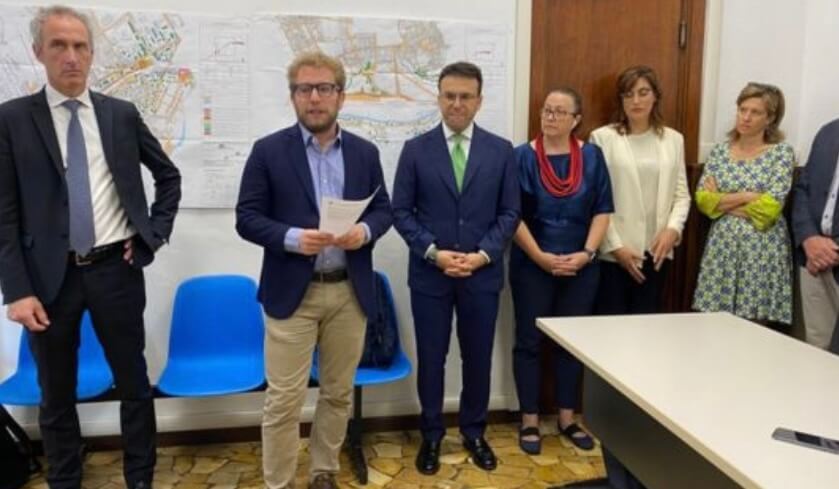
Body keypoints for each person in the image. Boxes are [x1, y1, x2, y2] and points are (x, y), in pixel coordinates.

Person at [0, 6, 181, 489]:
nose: (71, 56)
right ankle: (65, 480)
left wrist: (152, 236)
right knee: (55, 392)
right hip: (47, 280)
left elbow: (168, 177)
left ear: (92, 53)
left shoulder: (120, 115)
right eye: (59, 45)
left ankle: (140, 478)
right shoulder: (11, 120)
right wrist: (17, 290)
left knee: (134, 383)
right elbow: (5, 214)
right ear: (39, 52)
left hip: (115, 270)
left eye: (80, 46)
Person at [235, 51, 392, 489]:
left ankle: (324, 471)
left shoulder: (364, 152)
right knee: (284, 401)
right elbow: (246, 217)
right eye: (305, 89)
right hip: (292, 293)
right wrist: (292, 238)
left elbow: (383, 209)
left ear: (341, 95)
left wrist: (364, 231)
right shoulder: (268, 151)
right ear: (293, 97)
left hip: (348, 292)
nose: (315, 98)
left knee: (338, 393)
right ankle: (280, 482)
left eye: (324, 88)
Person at [391, 61, 519, 475]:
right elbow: (400, 211)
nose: (457, 104)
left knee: (477, 357)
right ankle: (431, 435)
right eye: (450, 96)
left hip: (482, 274)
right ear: (439, 98)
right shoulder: (416, 150)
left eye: (466, 96)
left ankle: (474, 432)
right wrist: (433, 252)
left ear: (479, 101)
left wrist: (483, 255)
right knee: (432, 358)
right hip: (431, 275)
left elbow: (510, 212)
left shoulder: (501, 151)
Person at [510, 88, 613, 454]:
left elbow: (603, 209)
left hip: (581, 266)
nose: (550, 117)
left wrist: (587, 253)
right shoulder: (521, 157)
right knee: (528, 341)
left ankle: (568, 418)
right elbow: (512, 215)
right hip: (532, 263)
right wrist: (540, 256)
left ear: (576, 120)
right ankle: (530, 420)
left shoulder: (592, 157)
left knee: (571, 342)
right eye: (546, 110)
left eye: (559, 112)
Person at [589, 65, 691, 314]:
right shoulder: (602, 138)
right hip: (615, 253)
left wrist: (673, 229)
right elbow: (596, 199)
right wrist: (615, 246)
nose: (636, 101)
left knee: (647, 325)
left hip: (656, 251)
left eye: (643, 93)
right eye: (628, 94)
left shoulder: (673, 139)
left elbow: (681, 195)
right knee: (611, 325)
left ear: (655, 96)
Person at [694, 82, 794, 328]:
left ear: (770, 118)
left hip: (763, 250)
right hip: (722, 248)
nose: (746, 117)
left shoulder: (780, 154)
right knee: (715, 325)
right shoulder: (719, 152)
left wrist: (722, 201)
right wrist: (749, 196)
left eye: (755, 112)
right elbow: (704, 201)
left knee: (756, 328)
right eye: (742, 109)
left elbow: (769, 209)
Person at [791, 117, 839, 353]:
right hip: (813, 258)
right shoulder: (828, 132)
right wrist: (809, 238)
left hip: (829, 254)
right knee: (816, 350)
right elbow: (803, 189)